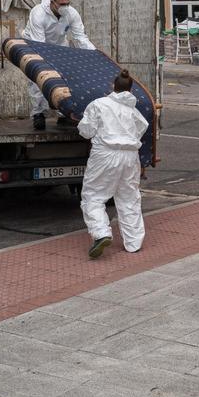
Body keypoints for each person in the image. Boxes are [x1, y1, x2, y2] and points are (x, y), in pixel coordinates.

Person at [77, 69, 148, 259]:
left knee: (93, 196)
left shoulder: (99, 104)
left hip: (105, 155)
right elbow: (142, 127)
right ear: (130, 90)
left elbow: (86, 131)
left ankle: (101, 233)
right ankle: (133, 243)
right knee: (129, 198)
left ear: (112, 87)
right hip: (131, 156)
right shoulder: (133, 110)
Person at [23, 0, 96, 130]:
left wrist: (93, 53)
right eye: (62, 4)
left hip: (60, 46)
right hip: (35, 44)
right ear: (52, 2)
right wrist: (48, 63)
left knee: (64, 78)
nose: (66, 7)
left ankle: (63, 113)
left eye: (67, 3)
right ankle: (39, 114)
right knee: (38, 78)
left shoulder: (71, 13)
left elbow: (80, 37)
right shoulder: (38, 14)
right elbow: (39, 44)